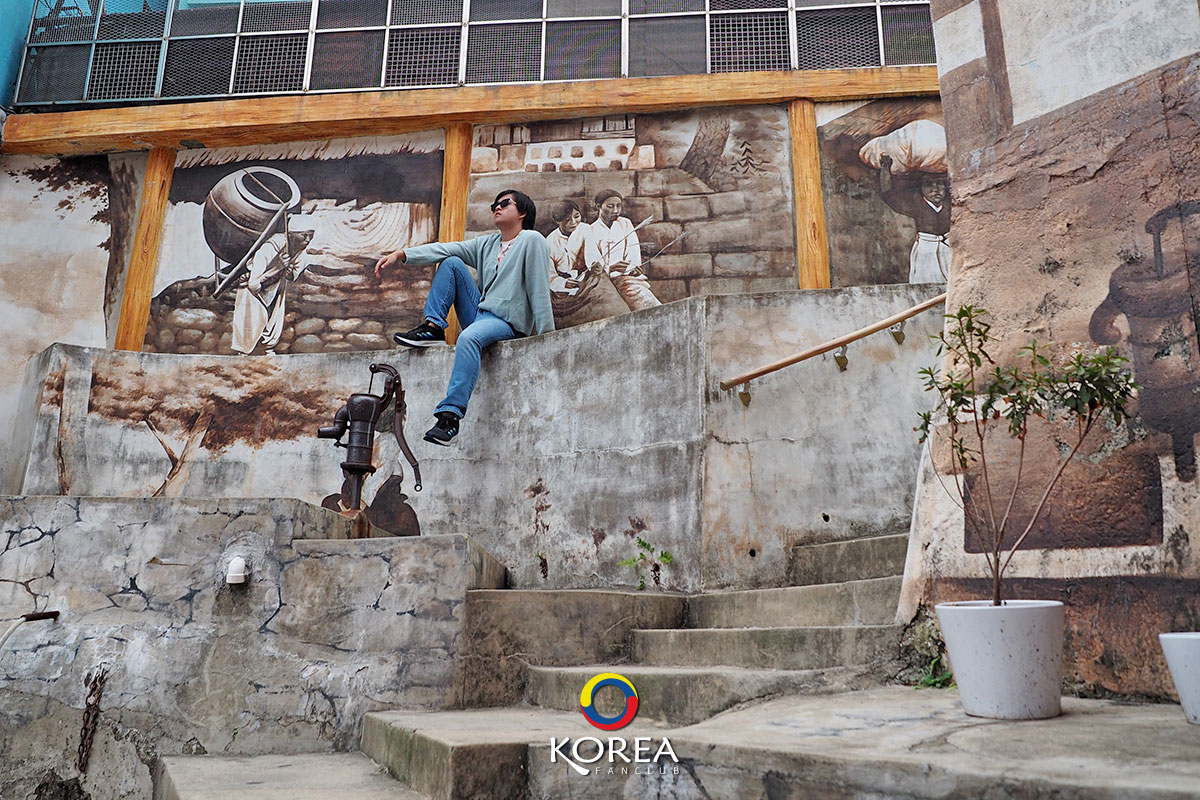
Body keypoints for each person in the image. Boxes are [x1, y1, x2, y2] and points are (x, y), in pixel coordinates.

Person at [374, 189, 554, 445]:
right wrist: (402, 254)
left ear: (522, 212)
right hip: (479, 315)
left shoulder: (532, 240)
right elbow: (444, 248)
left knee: (468, 337)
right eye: (494, 205)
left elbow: (539, 289)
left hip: (506, 323)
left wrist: (547, 339)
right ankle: (433, 327)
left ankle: (450, 418)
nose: (497, 208)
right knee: (451, 262)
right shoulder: (488, 244)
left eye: (504, 203)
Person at [582, 189, 661, 311]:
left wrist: (632, 268)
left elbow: (633, 252)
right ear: (598, 207)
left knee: (642, 297)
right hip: (603, 281)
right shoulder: (590, 230)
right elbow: (592, 262)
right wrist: (610, 268)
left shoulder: (625, 224)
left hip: (626, 278)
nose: (616, 211)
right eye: (610, 206)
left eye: (618, 206)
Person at [878, 154, 951, 283]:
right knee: (925, 282)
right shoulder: (916, 204)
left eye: (939, 184)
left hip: (949, 248)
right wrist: (885, 168)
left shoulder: (952, 204)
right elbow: (888, 194)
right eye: (929, 185)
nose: (935, 189)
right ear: (921, 188)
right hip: (926, 249)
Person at [544, 199, 599, 318]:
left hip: (585, 281)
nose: (573, 222)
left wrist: (595, 265)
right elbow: (549, 275)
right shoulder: (549, 242)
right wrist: (563, 283)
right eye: (567, 220)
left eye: (577, 216)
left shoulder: (585, 229)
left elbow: (592, 254)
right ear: (558, 221)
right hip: (561, 288)